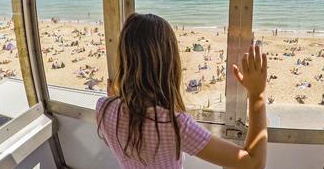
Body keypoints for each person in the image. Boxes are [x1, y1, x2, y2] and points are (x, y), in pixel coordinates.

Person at [95, 13, 267, 169]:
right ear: (170, 63)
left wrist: (117, 96)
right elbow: (253, 163)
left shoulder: (103, 108)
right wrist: (256, 94)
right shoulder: (174, 125)